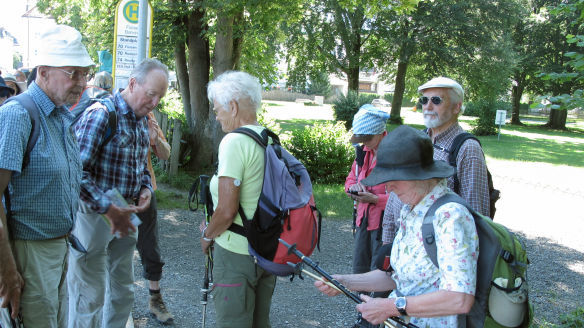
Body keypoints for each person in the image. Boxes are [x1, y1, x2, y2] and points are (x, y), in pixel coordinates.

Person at [315, 125, 479, 327]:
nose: (388, 187)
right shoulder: (412, 208)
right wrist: (345, 282)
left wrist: (390, 307)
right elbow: (398, 278)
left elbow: (459, 298)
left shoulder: (450, 216)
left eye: (393, 179)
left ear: (419, 175)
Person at [0, 24, 93, 327]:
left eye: (85, 73)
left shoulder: (60, 115)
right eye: (73, 73)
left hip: (58, 248)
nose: (81, 82)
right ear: (42, 72)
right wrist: (8, 271)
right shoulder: (18, 115)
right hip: (27, 253)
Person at [67, 58, 168, 328]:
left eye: (160, 96)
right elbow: (75, 173)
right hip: (94, 214)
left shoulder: (141, 119)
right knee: (89, 295)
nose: (155, 102)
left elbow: (140, 165)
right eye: (151, 93)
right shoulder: (101, 114)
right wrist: (108, 207)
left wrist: (145, 187)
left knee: (123, 291)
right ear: (133, 84)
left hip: (126, 212)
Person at [202, 71, 276, 328]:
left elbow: (226, 210)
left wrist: (207, 236)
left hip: (236, 253)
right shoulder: (268, 138)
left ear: (232, 106)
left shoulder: (234, 142)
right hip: (265, 251)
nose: (217, 115)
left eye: (217, 108)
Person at [382, 77, 490, 245]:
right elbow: (393, 196)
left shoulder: (467, 148)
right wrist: (387, 242)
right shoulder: (417, 139)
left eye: (437, 100)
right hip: (403, 246)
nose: (428, 106)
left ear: (457, 107)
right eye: (424, 100)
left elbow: (475, 214)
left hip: (439, 255)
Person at [345, 105, 390, 327]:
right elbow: (350, 180)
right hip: (363, 220)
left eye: (368, 138)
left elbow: (405, 197)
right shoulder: (363, 153)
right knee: (360, 270)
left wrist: (375, 200)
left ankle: (376, 318)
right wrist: (355, 189)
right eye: (361, 138)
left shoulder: (395, 155)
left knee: (381, 273)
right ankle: (362, 315)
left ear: (381, 133)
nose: (364, 143)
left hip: (385, 224)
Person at [137, 112, 174, 324]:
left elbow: (166, 154)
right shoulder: (107, 112)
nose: (153, 101)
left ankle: (155, 299)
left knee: (150, 247)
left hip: (145, 192)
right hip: (115, 195)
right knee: (110, 249)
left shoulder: (147, 116)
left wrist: (155, 139)